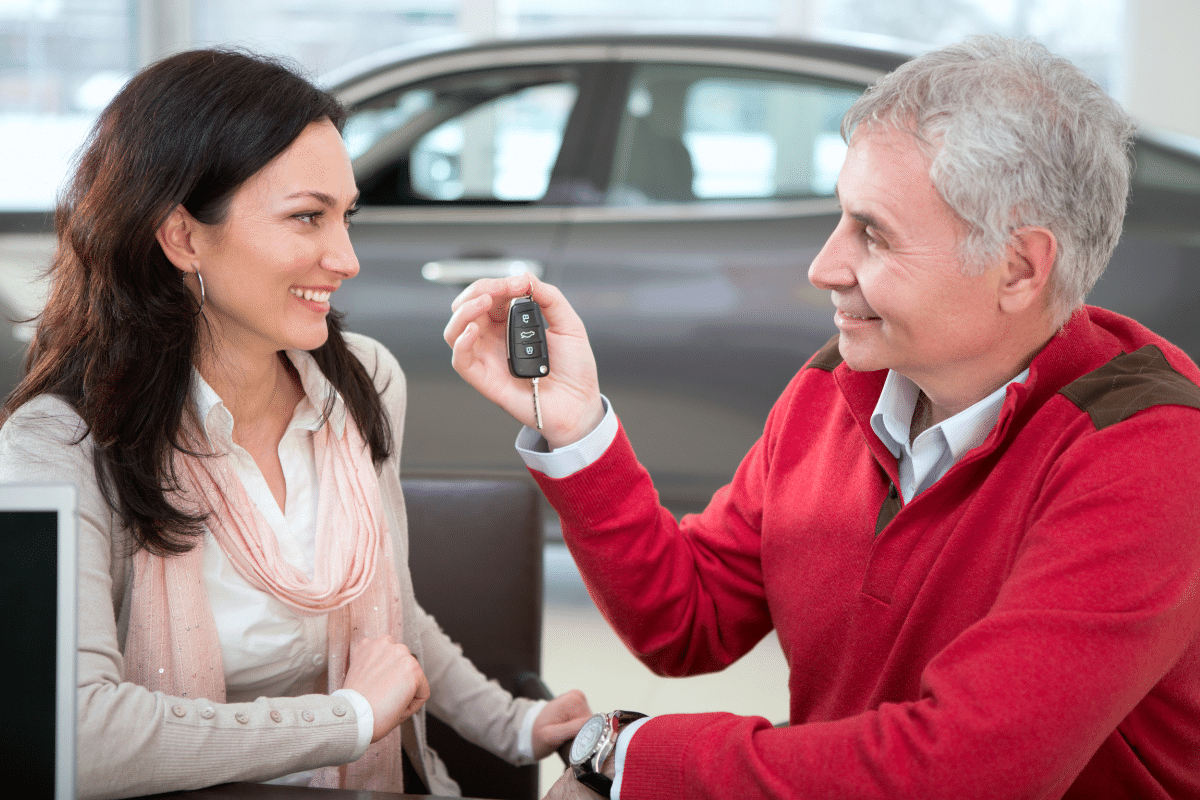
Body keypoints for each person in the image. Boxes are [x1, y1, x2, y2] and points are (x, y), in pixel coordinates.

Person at [444, 34, 1200, 799]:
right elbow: (688, 621)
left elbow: (965, 771)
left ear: (1018, 267)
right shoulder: (837, 387)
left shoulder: (1151, 454)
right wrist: (577, 429)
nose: (824, 267)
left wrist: (637, 755)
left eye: (872, 233)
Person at [0, 48, 590, 799]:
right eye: (307, 217)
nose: (344, 258)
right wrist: (344, 720)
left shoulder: (364, 381)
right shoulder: (62, 443)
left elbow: (390, 615)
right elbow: (76, 734)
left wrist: (512, 724)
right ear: (182, 237)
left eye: (346, 216)